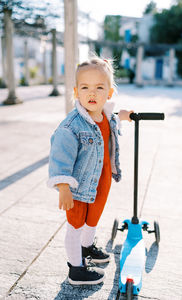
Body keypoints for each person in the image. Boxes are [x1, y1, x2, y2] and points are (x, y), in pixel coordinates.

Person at [47, 55, 133, 285]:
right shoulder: (71, 126)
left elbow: (112, 119)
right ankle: (76, 269)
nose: (92, 94)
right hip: (78, 186)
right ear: (76, 91)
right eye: (85, 88)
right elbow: (60, 158)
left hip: (101, 179)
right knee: (76, 224)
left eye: (99, 88)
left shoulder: (104, 114)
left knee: (93, 218)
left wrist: (124, 115)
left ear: (109, 93)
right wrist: (63, 186)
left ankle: (86, 248)